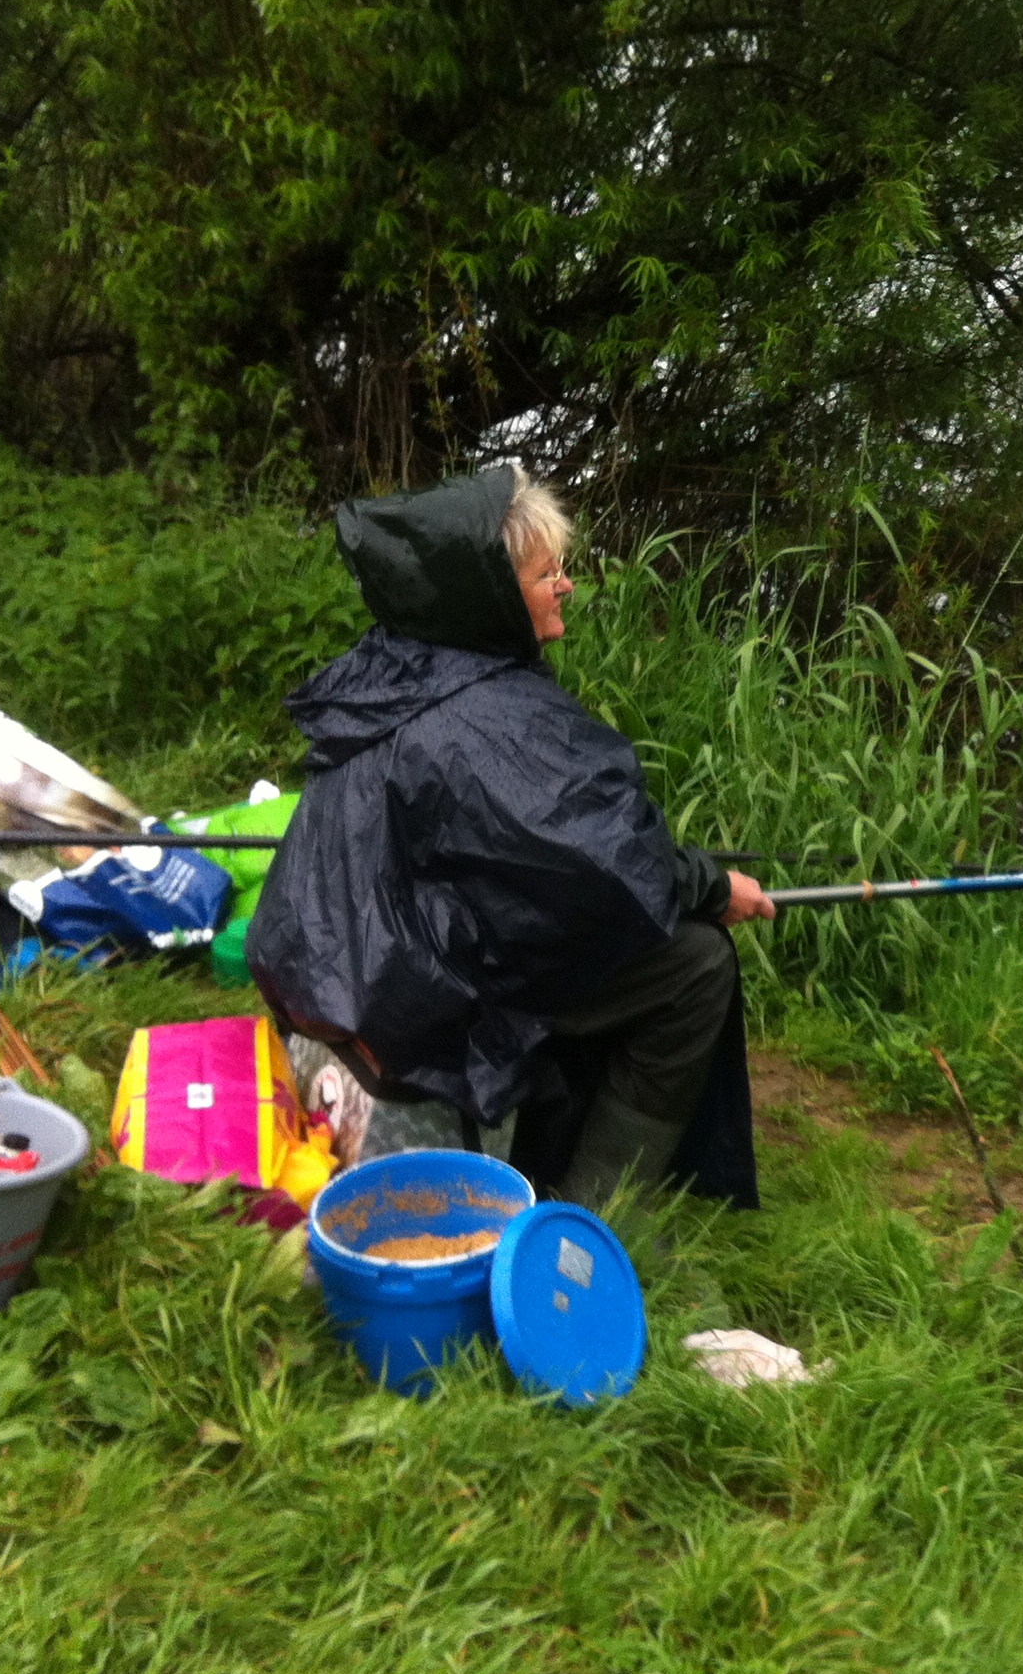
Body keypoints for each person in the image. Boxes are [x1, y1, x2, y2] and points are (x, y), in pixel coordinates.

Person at [247, 463, 775, 1208]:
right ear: (490, 591)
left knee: (610, 938)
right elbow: (600, 865)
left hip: (340, 965)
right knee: (696, 963)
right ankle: (595, 1212)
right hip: (406, 987)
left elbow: (553, 849)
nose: (566, 585)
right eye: (545, 573)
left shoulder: (396, 663)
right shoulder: (491, 712)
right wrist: (713, 888)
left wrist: (684, 876)